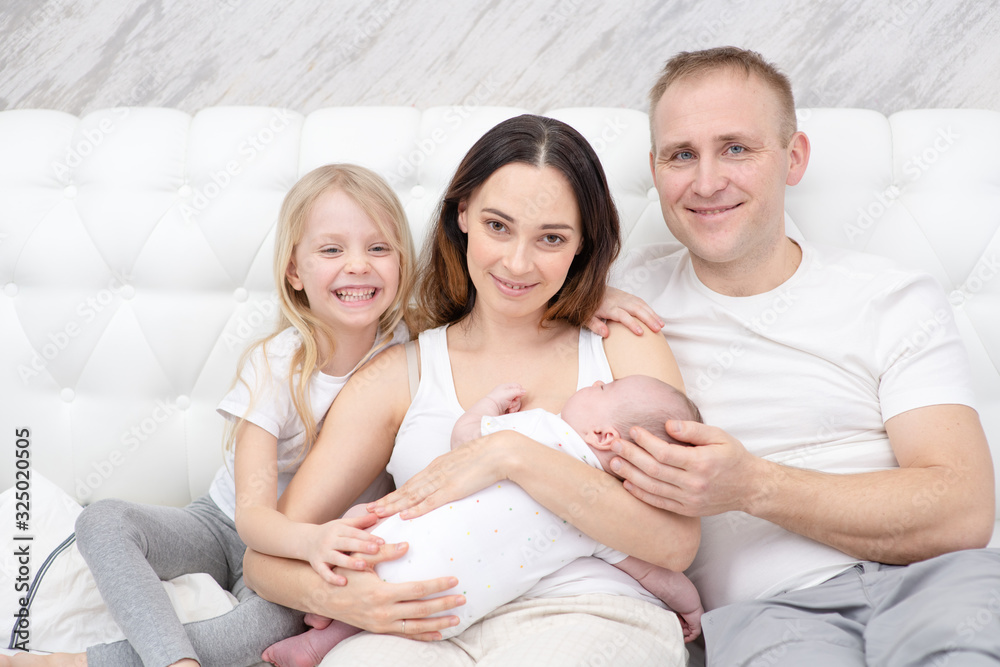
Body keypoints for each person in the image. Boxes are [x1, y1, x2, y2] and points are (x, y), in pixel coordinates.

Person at [243, 113, 699, 667]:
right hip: (419, 620)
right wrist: (346, 601)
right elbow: (263, 557)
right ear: (462, 214)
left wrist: (510, 454)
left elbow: (677, 543)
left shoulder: (621, 343)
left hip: (587, 610)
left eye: (551, 238)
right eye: (498, 226)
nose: (517, 263)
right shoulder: (400, 372)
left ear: (583, 244)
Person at [605, 46, 999, 664]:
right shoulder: (619, 304)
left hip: (935, 580)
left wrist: (752, 486)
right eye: (681, 155)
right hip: (770, 612)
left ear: (794, 158)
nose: (706, 182)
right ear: (654, 170)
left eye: (736, 148)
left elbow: (961, 511)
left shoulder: (890, 297)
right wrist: (565, 301)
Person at [3, 164, 417, 667]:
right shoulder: (275, 366)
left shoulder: (412, 354)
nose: (358, 265)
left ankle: (72, 663)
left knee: (273, 626)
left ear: (402, 261)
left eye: (379, 248)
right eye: (331, 250)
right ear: (294, 271)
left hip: (295, 557)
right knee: (102, 520)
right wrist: (312, 540)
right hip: (223, 524)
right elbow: (252, 517)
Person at [262, 376, 704, 667]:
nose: (594, 383)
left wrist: (488, 406)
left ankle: (321, 630)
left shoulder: (542, 429)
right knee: (393, 600)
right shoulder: (599, 515)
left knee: (368, 561)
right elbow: (651, 570)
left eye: (604, 388)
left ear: (604, 435)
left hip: (395, 544)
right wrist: (690, 605)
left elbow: (465, 439)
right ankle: (321, 636)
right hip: (450, 606)